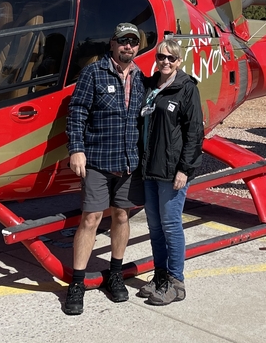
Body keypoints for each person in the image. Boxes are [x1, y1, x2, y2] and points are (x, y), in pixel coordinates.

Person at [63, 22, 146, 315]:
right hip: (98, 159)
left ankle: (114, 273)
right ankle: (76, 282)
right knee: (91, 218)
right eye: (123, 41)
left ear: (138, 47)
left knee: (122, 216)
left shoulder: (140, 78)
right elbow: (77, 112)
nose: (128, 47)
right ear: (112, 43)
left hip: (127, 161)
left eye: (133, 42)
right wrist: (76, 149)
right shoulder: (94, 73)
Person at [137, 37, 204, 306]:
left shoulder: (186, 88)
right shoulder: (151, 85)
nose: (165, 62)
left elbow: (195, 133)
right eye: (161, 57)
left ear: (179, 61)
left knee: (171, 225)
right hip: (149, 168)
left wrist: (184, 169)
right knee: (155, 227)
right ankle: (160, 275)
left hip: (171, 170)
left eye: (171, 58)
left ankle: (176, 282)